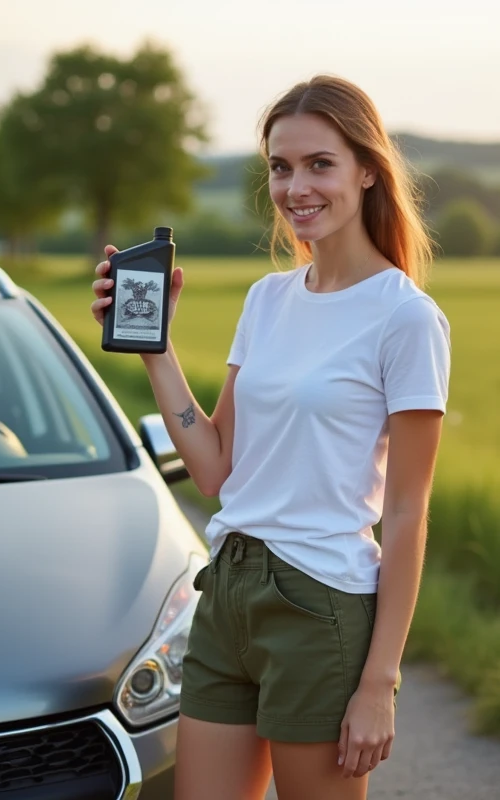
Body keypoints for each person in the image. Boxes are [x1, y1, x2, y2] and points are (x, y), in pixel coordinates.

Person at [91, 74, 452, 800]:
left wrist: (379, 680)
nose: (295, 187)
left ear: (368, 171)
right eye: (280, 167)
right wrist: (154, 350)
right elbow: (219, 472)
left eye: (320, 163)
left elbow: (408, 513)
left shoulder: (405, 318)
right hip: (227, 593)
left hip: (319, 601)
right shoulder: (267, 300)